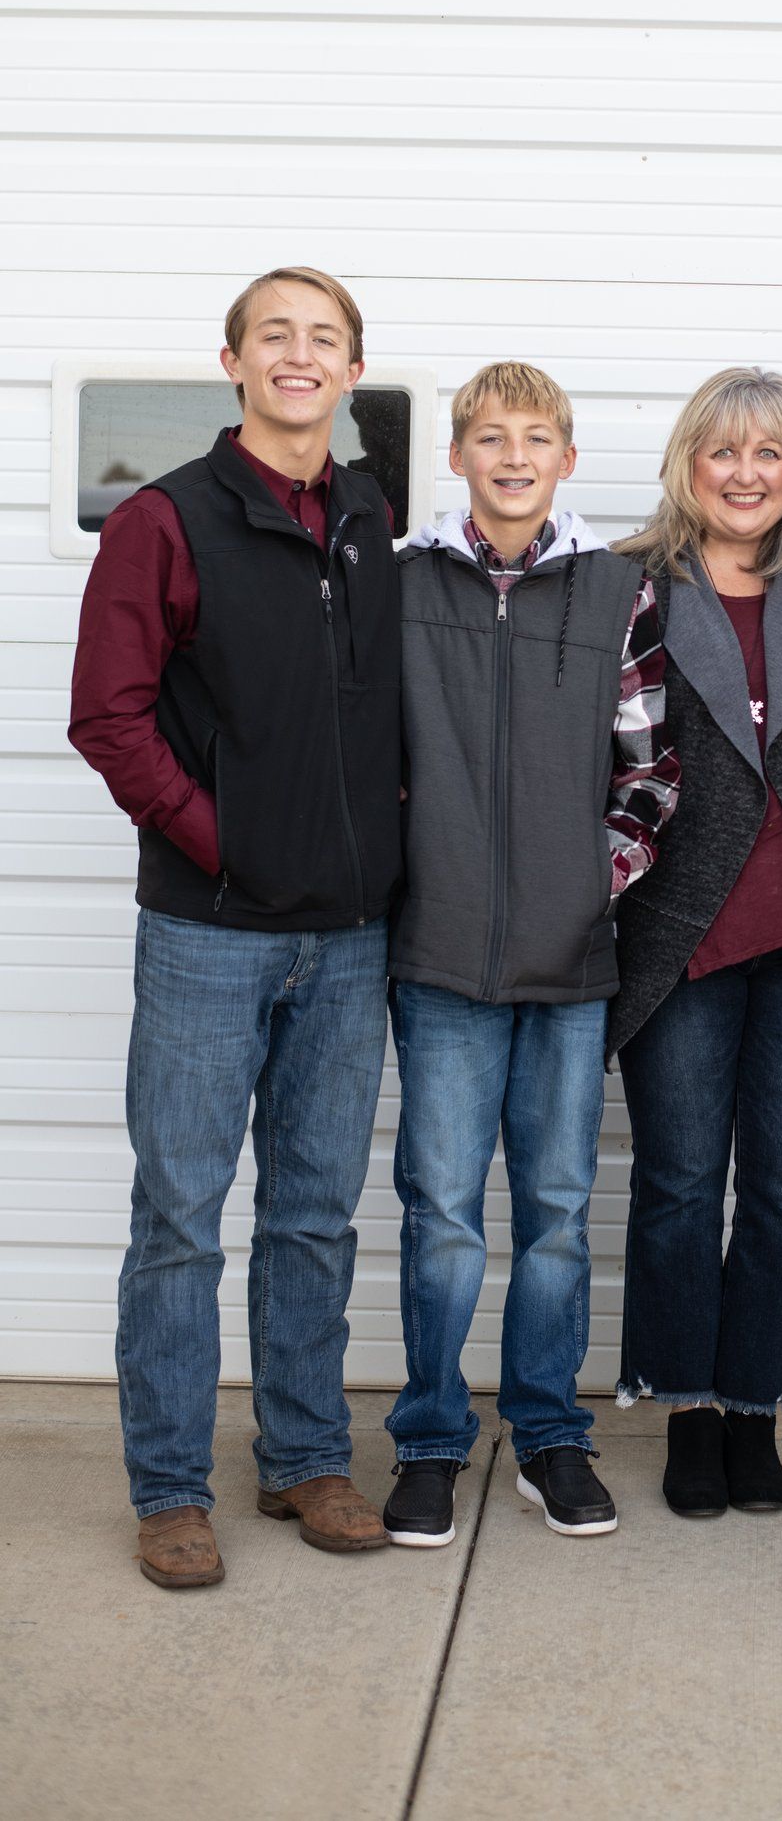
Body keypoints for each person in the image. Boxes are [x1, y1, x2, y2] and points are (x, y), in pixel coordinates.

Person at [69, 266, 403, 1588]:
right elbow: (110, 715)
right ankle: (168, 1486)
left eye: (325, 339)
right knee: (180, 1219)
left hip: (353, 933)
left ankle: (307, 1458)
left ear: (350, 365)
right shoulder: (165, 520)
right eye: (278, 336)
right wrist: (225, 841)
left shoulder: (373, 514)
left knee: (316, 1215)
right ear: (234, 361)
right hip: (209, 931)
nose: (300, 356)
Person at [380, 362, 679, 1546]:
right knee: (442, 1212)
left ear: (566, 458)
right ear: (455, 456)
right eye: (491, 436)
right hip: (439, 959)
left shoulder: (618, 592)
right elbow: (367, 762)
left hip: (570, 964)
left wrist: (579, 888)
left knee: (556, 1211)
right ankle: (430, 1441)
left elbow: (651, 778)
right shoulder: (399, 585)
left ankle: (550, 1433)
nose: (513, 455)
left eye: (538, 437)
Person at [611, 368, 782, 1518]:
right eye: (724, 451)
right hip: (680, 933)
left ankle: (756, 1405)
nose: (746, 473)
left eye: (769, 453)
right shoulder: (628, 582)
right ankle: (688, 1407)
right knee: (676, 1186)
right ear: (690, 462)